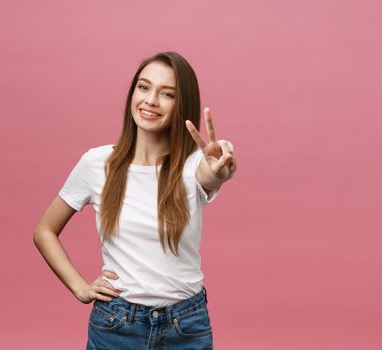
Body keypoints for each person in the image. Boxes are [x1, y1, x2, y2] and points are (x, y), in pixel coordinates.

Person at [33, 51, 237, 349]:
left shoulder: (193, 165)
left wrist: (220, 169)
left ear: (183, 105)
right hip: (116, 325)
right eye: (144, 87)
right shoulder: (97, 163)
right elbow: (44, 231)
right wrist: (80, 287)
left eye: (166, 93)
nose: (151, 100)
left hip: (186, 326)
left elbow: (211, 174)